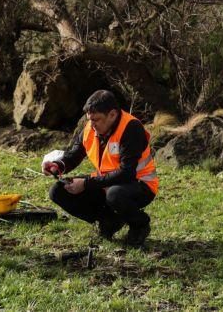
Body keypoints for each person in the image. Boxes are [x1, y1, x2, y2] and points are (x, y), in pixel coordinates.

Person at [43, 90, 159, 248]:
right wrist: (58, 166)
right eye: (90, 120)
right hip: (106, 182)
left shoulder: (131, 128)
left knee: (115, 194)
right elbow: (73, 155)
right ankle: (108, 221)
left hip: (140, 185)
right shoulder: (91, 127)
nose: (92, 125)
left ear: (112, 114)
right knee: (58, 191)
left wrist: (85, 184)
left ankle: (140, 224)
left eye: (96, 120)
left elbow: (127, 173)